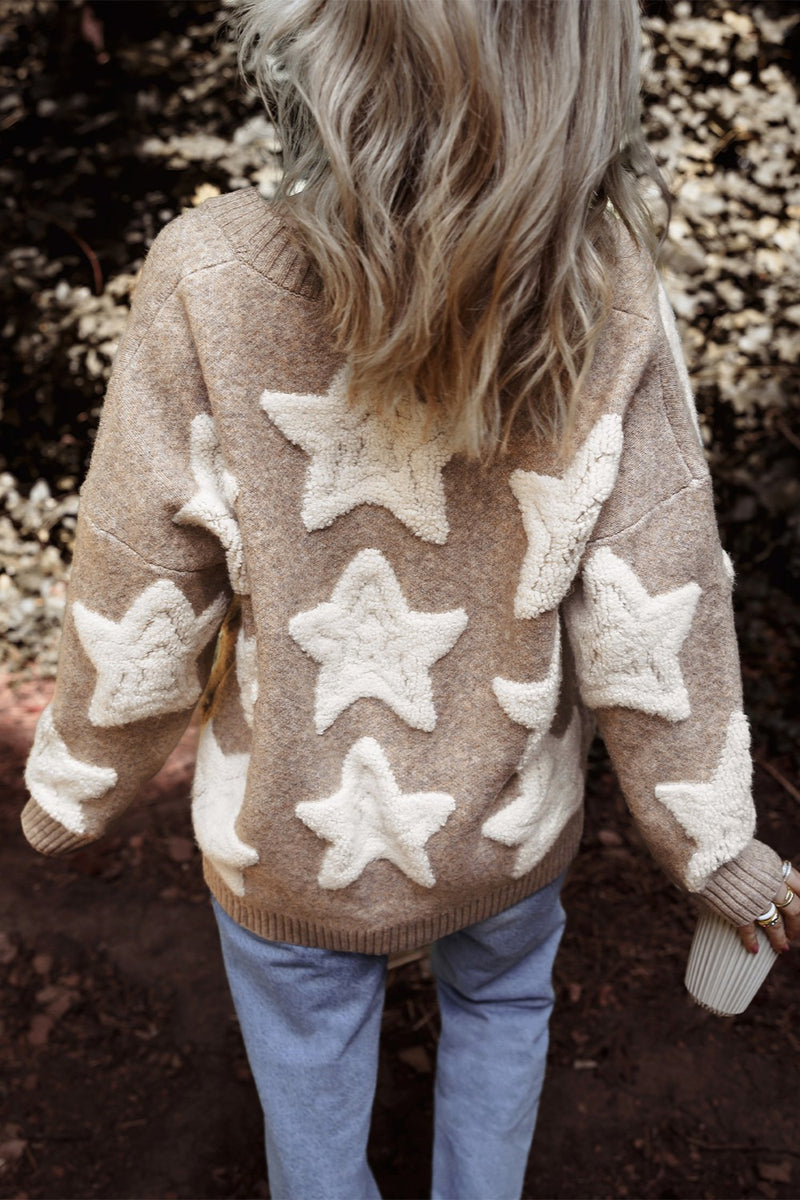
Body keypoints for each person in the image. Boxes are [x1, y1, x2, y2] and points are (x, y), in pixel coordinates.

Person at [21, 1, 799, 1197]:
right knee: (501, 1006)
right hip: (506, 827)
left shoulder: (209, 271)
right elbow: (658, 596)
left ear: (316, 38)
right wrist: (712, 844)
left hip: (283, 837)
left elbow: (143, 580)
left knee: (306, 1067)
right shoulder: (603, 287)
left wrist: (78, 784)